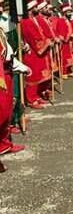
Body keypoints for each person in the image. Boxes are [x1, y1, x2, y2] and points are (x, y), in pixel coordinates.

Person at [0, 24, 30, 157]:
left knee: (6, 112)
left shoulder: (1, 31)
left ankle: (4, 144)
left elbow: (9, 55)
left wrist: (21, 67)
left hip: (6, 74)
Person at [20, 0, 53, 109]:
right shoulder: (26, 21)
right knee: (33, 77)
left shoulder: (34, 19)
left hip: (38, 53)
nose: (37, 9)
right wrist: (45, 43)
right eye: (34, 7)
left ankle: (37, 95)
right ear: (30, 9)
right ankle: (31, 99)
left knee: (39, 75)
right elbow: (33, 37)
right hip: (32, 53)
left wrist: (47, 40)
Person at [56, 3, 73, 78]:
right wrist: (68, 36)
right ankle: (63, 72)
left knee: (70, 57)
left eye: (70, 12)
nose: (70, 13)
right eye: (68, 12)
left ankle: (68, 70)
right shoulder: (60, 21)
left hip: (70, 42)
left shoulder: (70, 21)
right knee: (64, 57)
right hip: (64, 42)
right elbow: (61, 32)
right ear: (64, 12)